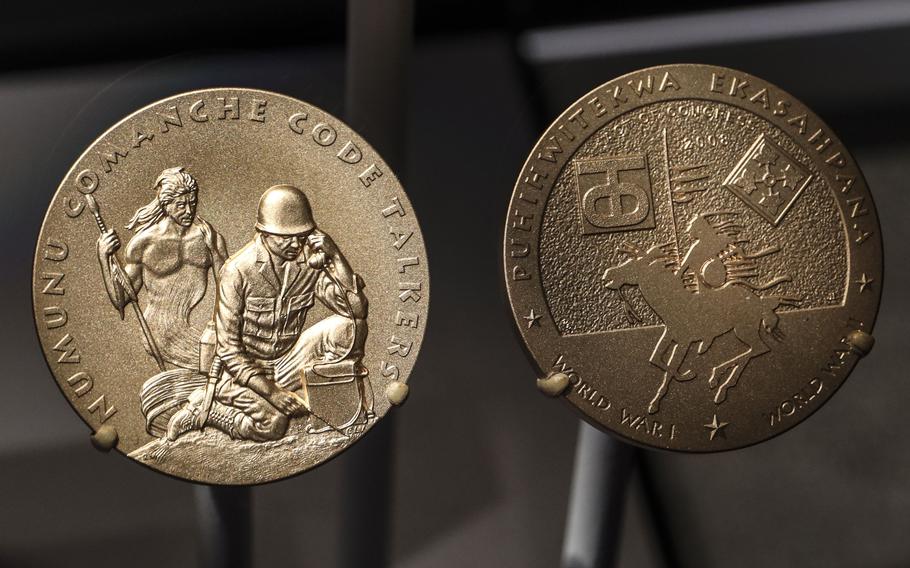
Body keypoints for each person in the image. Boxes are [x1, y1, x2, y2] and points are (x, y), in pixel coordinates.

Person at [166, 184, 371, 442]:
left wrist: (336, 257)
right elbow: (228, 349)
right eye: (286, 237)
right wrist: (273, 394)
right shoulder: (238, 270)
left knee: (350, 327)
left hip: (287, 361)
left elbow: (356, 311)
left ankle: (328, 394)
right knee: (273, 424)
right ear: (264, 232)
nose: (296, 243)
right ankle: (205, 410)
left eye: (302, 235)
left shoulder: (308, 263)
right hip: (240, 371)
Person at [97, 166, 228, 370]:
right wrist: (103, 257)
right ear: (166, 205)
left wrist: (214, 250)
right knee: (226, 367)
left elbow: (230, 288)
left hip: (198, 330)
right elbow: (121, 299)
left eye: (192, 203)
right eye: (181, 205)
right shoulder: (144, 243)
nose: (189, 210)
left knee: (233, 364)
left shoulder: (208, 237)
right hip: (158, 332)